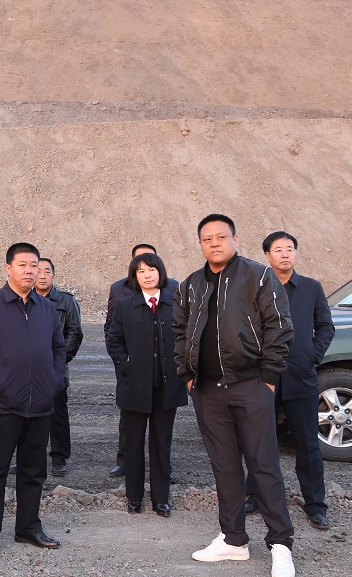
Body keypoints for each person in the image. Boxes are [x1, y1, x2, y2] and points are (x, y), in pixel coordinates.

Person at [173, 214, 296, 577]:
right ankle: (233, 539)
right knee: (224, 467)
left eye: (221, 237)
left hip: (250, 385)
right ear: (200, 244)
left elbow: (279, 326)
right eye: (207, 239)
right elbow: (180, 332)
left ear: (235, 239)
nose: (214, 243)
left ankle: (281, 544)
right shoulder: (191, 284)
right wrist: (188, 376)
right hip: (207, 390)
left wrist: (268, 378)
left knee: (263, 464)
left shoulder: (259, 275)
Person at [0, 242, 66, 558]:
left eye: (34, 265)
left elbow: (58, 348)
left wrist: (54, 381)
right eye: (23, 264)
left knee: (34, 471)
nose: (30, 270)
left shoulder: (46, 307)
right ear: (8, 268)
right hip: (3, 405)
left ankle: (28, 528)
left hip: (41, 405)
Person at [244, 231, 334, 531]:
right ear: (267, 256)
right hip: (263, 378)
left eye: (290, 249)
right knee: (259, 442)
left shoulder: (311, 288)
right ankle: (254, 496)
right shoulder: (256, 288)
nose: (285, 254)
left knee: (307, 443)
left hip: (300, 376)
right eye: (278, 249)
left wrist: (312, 355)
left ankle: (315, 505)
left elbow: (325, 326)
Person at [105, 253, 187, 518]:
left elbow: (186, 339)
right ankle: (134, 496)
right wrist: (126, 365)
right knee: (133, 444)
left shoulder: (176, 304)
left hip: (167, 387)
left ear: (160, 273)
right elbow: (114, 340)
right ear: (134, 277)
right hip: (134, 387)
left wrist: (181, 368)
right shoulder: (125, 306)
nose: (147, 275)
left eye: (151, 269)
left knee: (162, 444)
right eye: (140, 271)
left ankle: (161, 499)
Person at [103, 243, 156, 477]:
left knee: (160, 421)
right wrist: (122, 360)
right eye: (139, 263)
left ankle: (161, 465)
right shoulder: (119, 289)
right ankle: (124, 461)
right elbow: (110, 326)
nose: (145, 268)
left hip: (159, 366)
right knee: (129, 416)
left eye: (150, 261)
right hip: (130, 364)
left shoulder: (172, 287)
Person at [35, 257, 83, 477]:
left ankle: (59, 458)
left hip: (55, 369)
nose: (42, 275)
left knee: (58, 416)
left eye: (47, 271)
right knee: (27, 416)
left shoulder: (66, 301)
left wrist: (60, 360)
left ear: (53, 275)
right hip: (27, 369)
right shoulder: (24, 299)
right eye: (39, 271)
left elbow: (75, 332)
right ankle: (29, 457)